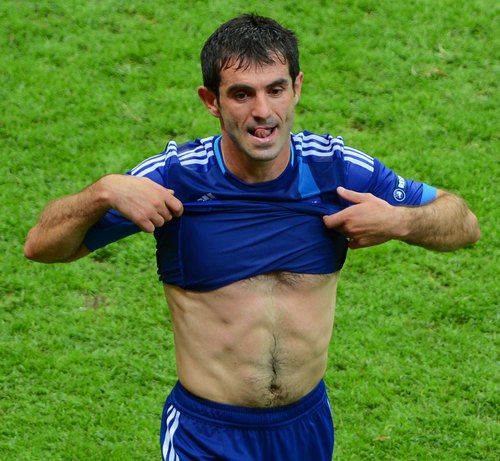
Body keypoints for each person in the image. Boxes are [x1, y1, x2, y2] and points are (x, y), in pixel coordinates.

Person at [24, 14, 480, 461]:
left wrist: (399, 221)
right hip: (208, 435)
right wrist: (102, 192)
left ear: (296, 87)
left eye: (275, 90)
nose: (262, 112)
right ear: (212, 101)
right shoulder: (176, 179)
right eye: (242, 94)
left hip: (306, 426)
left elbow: (463, 223)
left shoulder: (335, 169)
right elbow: (42, 247)